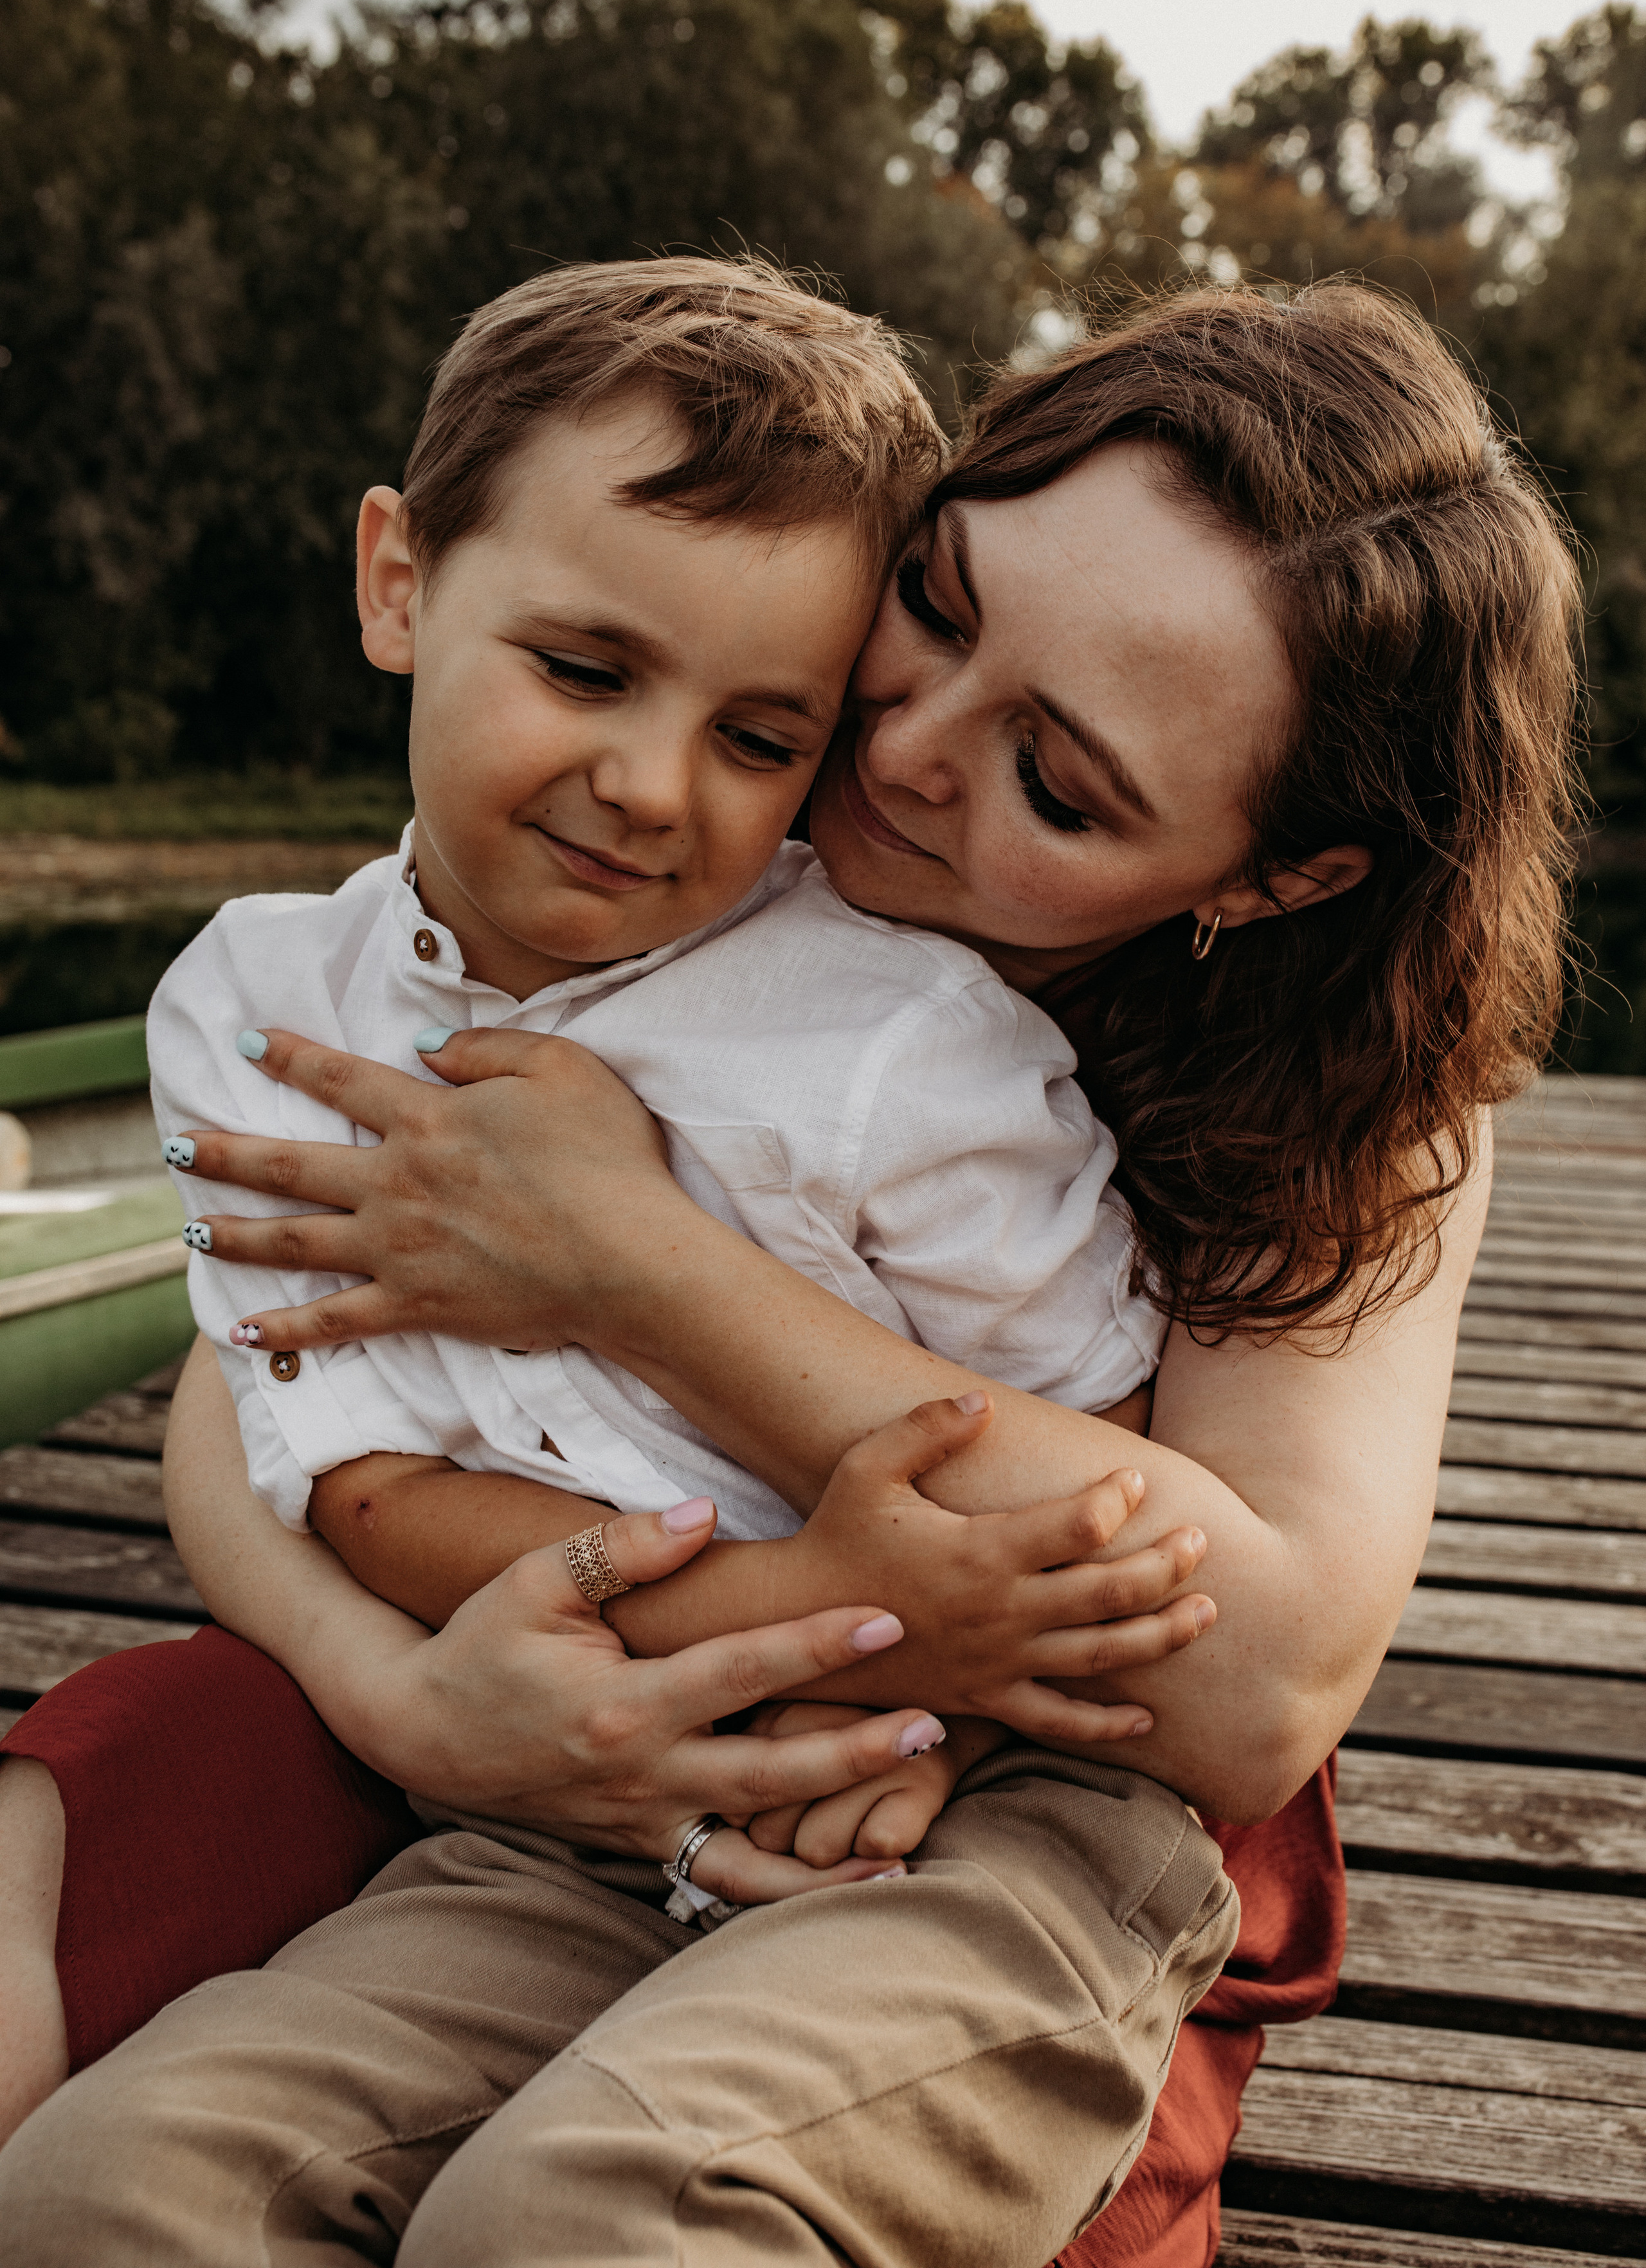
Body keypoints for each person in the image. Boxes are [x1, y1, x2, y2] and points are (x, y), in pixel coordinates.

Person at [0, 278, 1578, 2268]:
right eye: (935, 604)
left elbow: (1248, 1680)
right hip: (564, 1712)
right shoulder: (658, 847)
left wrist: (627, 1264)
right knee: (122, 2085)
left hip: (1030, 1790)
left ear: (1274, 876)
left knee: (592, 2210)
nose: (894, 745)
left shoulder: (1357, 1110)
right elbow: (258, 1383)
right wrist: (399, 1699)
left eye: (1060, 785)